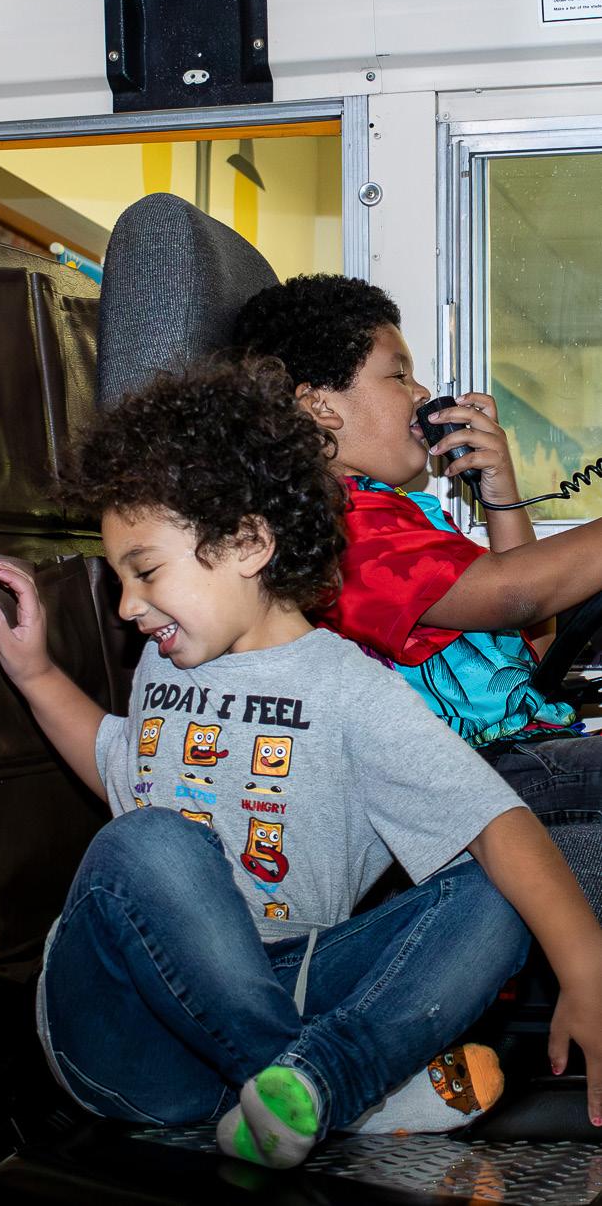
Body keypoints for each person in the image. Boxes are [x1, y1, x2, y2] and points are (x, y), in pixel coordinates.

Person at [0, 362, 602, 1170]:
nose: (128, 607)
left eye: (146, 571)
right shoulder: (165, 664)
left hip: (285, 988)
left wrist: (584, 964)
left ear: (248, 543)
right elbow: (118, 769)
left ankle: (306, 1088)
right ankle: (345, 1087)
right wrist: (35, 675)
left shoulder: (352, 690)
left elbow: (496, 823)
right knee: (146, 842)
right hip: (126, 1032)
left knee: (497, 893)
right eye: (121, 581)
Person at [234, 274, 602, 916]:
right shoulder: (336, 531)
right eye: (398, 375)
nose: (423, 392)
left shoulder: (401, 516)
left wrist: (500, 493)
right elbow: (514, 596)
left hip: (509, 754)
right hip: (463, 780)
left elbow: (529, 644)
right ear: (319, 407)